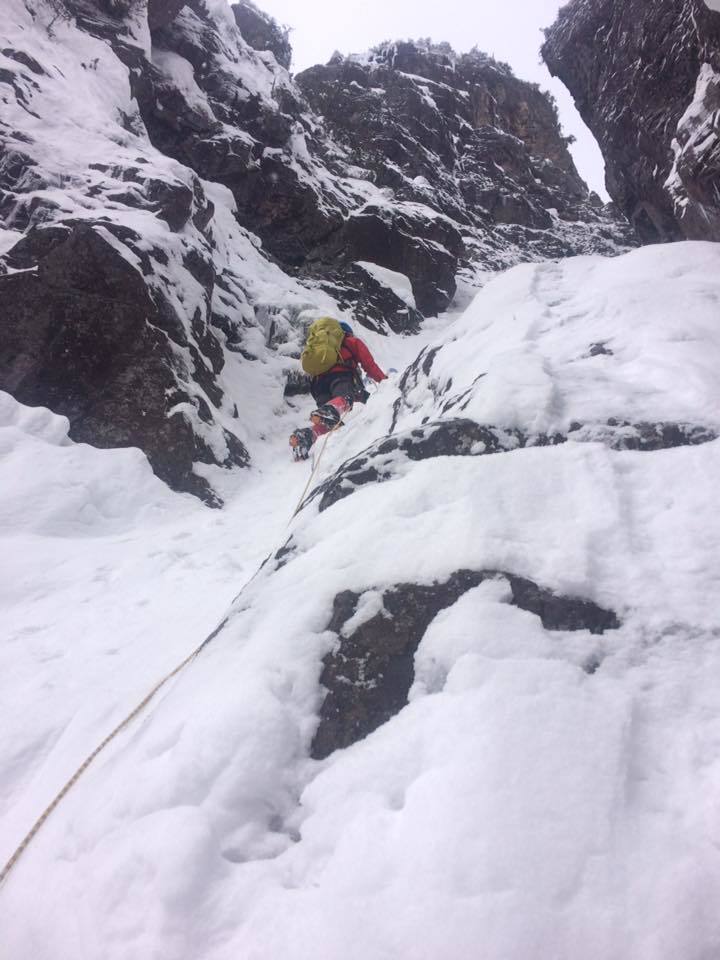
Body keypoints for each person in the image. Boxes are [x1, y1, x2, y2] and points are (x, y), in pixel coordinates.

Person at [289, 321, 387, 459]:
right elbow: (369, 364)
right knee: (345, 399)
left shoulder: (319, 347)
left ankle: (305, 437)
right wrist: (387, 382)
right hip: (339, 376)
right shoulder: (351, 341)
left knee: (330, 422)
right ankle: (328, 410)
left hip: (318, 385)